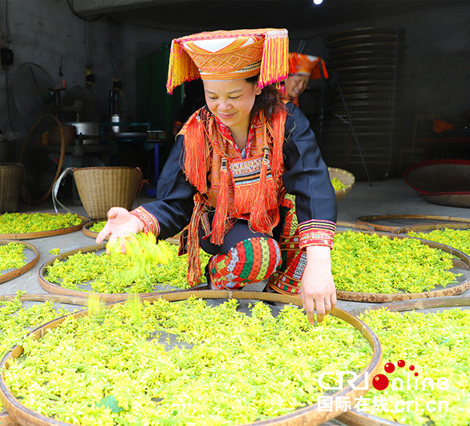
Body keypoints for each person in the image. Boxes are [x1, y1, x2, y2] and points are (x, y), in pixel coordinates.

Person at [97, 28, 337, 323]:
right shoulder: (197, 131)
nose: (222, 107)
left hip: (272, 218)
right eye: (213, 96)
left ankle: (273, 293)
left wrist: (320, 264)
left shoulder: (285, 121)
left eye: (234, 95)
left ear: (257, 87)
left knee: (311, 240)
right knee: (259, 253)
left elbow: (312, 183)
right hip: (220, 225)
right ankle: (217, 279)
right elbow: (176, 202)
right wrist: (137, 220)